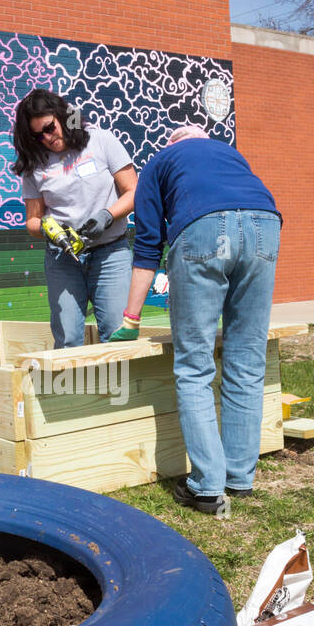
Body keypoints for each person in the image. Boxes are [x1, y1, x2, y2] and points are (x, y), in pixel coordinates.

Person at [110, 124, 282, 516]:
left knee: (194, 366)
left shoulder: (159, 162)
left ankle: (206, 488)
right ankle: (239, 478)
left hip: (203, 230)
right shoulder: (230, 154)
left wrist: (131, 319)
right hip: (266, 225)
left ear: (173, 144)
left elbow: (148, 248)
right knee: (247, 360)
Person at [13, 89, 137, 347]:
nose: (46, 138)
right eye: (38, 135)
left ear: (62, 115)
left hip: (110, 253)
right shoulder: (35, 163)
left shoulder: (100, 140)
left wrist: (107, 216)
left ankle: (116, 388)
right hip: (63, 259)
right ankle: (74, 388)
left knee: (116, 336)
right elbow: (33, 221)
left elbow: (134, 191)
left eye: (49, 127)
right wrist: (49, 231)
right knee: (68, 338)